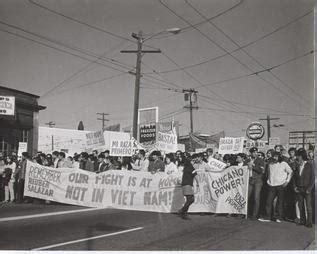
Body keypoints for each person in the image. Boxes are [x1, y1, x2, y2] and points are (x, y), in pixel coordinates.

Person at [258, 152, 292, 223]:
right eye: (274, 156)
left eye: (276, 156)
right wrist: (269, 182)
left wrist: (287, 181)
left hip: (281, 185)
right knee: (268, 201)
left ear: (279, 157)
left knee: (280, 202)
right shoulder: (270, 164)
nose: (275, 158)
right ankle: (268, 217)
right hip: (272, 186)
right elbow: (268, 173)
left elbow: (290, 172)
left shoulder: (284, 164)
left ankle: (279, 217)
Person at [293, 149, 314, 227]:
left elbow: (312, 178)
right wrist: (295, 187)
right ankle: (302, 220)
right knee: (300, 205)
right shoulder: (297, 165)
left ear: (302, 156)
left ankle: (309, 222)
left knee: (308, 206)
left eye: (298, 156)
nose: (297, 157)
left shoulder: (309, 165)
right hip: (299, 189)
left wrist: (309, 188)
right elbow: (294, 178)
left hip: (307, 189)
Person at [177, 155, 199, 219]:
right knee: (191, 199)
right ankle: (182, 211)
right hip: (187, 184)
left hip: (185, 184)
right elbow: (195, 175)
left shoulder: (186, 167)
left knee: (189, 199)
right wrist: (198, 184)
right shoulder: (190, 167)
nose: (194, 162)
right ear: (190, 161)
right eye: (193, 161)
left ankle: (183, 212)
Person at [247, 147, 265, 220]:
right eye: (253, 152)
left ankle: (255, 215)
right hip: (250, 180)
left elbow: (261, 170)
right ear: (251, 153)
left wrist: (253, 166)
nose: (255, 153)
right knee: (247, 197)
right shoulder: (247, 160)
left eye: (256, 152)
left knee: (256, 198)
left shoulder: (260, 160)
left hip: (257, 181)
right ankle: (246, 213)